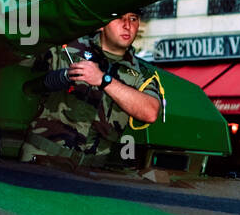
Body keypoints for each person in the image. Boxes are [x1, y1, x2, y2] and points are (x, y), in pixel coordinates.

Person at [20, 12, 162, 170]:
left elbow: (150, 111)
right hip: (41, 156)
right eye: (119, 18)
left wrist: (103, 79)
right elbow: (20, 60)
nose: (127, 25)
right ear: (102, 24)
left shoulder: (140, 74)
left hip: (90, 170)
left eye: (133, 19)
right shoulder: (68, 47)